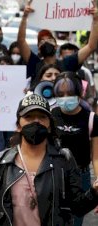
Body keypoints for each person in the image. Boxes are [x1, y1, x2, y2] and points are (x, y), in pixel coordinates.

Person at [0, 93, 98, 226]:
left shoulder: (64, 159)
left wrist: (94, 192)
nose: (36, 121)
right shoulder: (1, 161)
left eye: (42, 117)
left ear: (49, 125)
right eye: (28, 117)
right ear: (18, 125)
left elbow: (78, 207)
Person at [51, 72, 98, 225]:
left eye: (70, 93)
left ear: (79, 93)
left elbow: (96, 157)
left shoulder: (91, 119)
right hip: (54, 175)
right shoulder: (50, 115)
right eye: (60, 93)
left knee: (76, 220)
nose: (65, 97)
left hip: (81, 177)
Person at [18, 0, 98, 85]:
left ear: (56, 46)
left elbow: (90, 46)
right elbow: (21, 41)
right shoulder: (35, 63)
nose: (46, 42)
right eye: (42, 41)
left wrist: (96, 20)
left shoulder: (67, 63)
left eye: (49, 40)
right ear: (39, 48)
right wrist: (24, 17)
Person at [59, 43, 96, 109]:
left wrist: (83, 104)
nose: (69, 61)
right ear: (60, 56)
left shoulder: (84, 73)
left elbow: (91, 96)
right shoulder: (56, 73)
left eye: (71, 57)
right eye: (66, 58)